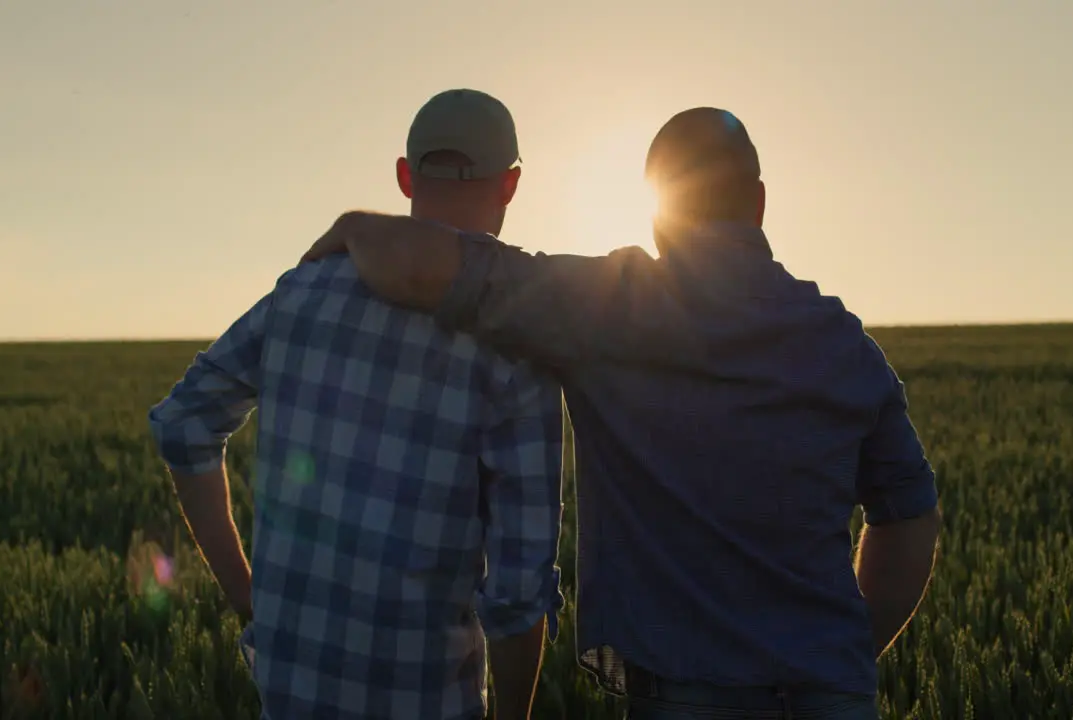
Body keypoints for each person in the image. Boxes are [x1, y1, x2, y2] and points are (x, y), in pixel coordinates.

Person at [300, 107, 943, 719]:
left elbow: (436, 269)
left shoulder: (609, 308)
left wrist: (361, 226)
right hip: (836, 695)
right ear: (761, 203)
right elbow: (911, 518)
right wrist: (839, 654)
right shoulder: (845, 343)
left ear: (657, 216)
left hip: (687, 697)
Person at [147, 89, 566, 720]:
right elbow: (515, 595)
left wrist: (247, 597)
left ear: (403, 176)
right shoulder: (516, 342)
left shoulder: (304, 288)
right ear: (509, 186)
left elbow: (183, 424)